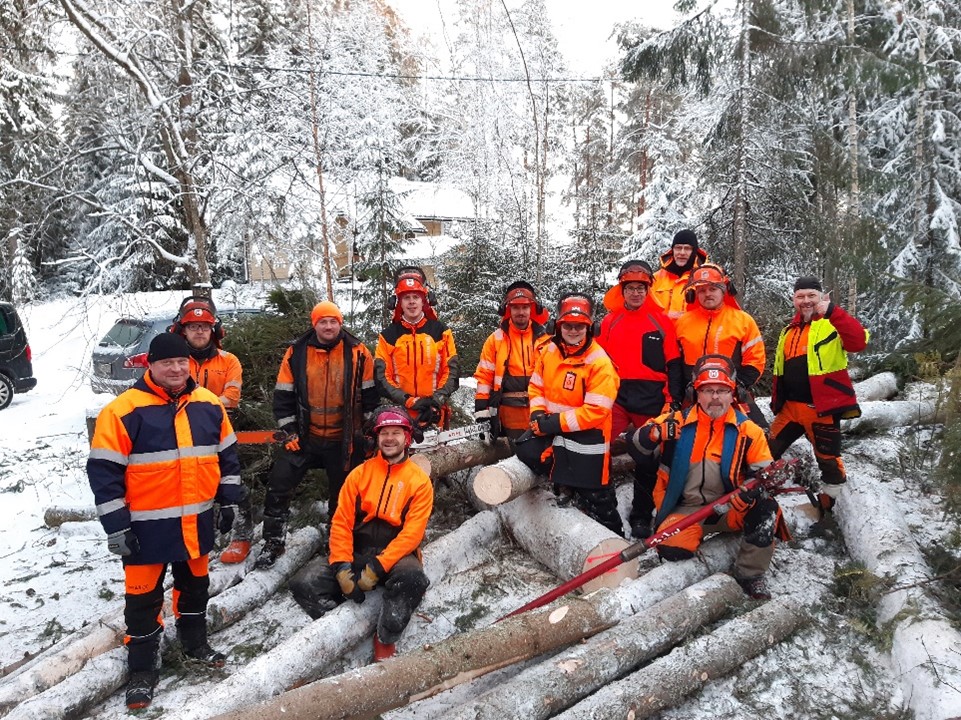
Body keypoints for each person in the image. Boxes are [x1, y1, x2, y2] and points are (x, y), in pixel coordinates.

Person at [87, 332, 241, 710]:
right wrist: (117, 527)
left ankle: (195, 644)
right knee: (141, 603)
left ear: (190, 364)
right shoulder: (123, 411)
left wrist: (228, 503)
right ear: (151, 366)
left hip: (196, 524)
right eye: (167, 363)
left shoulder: (208, 404)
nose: (175, 369)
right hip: (145, 530)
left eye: (181, 362)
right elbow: (104, 473)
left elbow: (227, 458)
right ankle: (142, 670)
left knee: (195, 588)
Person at [627, 355, 789, 600]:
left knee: (766, 509)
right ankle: (700, 545)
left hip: (729, 507)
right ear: (696, 393)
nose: (715, 397)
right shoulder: (677, 422)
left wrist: (749, 492)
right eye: (708, 390)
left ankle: (750, 575)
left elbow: (762, 475)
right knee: (672, 550)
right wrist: (654, 433)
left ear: (733, 393)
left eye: (722, 390)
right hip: (686, 509)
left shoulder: (748, 431)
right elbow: (635, 446)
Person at [287, 406, 433, 661]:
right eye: (384, 433)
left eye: (396, 433)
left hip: (395, 555)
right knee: (303, 583)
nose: (389, 438)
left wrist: (378, 567)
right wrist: (342, 566)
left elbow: (412, 533)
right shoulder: (360, 474)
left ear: (407, 438)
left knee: (413, 580)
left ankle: (386, 636)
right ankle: (340, 622)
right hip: (357, 549)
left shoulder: (419, 481)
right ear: (376, 437)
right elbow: (341, 522)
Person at [254, 301, 379, 570]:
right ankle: (273, 541)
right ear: (315, 324)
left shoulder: (357, 351)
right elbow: (283, 395)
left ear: (340, 323)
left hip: (342, 438)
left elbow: (370, 397)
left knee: (343, 493)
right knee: (279, 483)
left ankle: (337, 540)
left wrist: (367, 433)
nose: (329, 326)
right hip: (305, 436)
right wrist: (289, 431)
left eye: (333, 321)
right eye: (323, 321)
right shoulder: (297, 352)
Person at [515, 293, 622, 535]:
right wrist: (538, 413)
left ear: (589, 327)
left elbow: (596, 411)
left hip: (588, 438)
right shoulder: (550, 352)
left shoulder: (599, 363)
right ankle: (566, 491)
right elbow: (536, 385)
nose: (573, 330)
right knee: (526, 449)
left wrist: (553, 423)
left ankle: (614, 535)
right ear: (558, 326)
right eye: (568, 325)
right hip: (555, 430)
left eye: (579, 326)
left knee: (596, 492)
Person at [596, 260, 685, 539]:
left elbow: (674, 365)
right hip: (618, 396)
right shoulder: (610, 321)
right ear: (622, 290)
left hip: (652, 398)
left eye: (640, 288)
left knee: (648, 456)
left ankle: (641, 515)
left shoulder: (661, 321)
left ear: (648, 289)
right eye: (630, 288)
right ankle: (600, 504)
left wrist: (672, 401)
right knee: (598, 445)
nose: (635, 293)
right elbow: (598, 362)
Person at [769, 276, 869, 515]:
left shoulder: (832, 323)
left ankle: (832, 506)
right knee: (765, 451)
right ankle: (758, 493)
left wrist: (834, 312)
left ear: (821, 297)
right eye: (800, 296)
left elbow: (858, 342)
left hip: (821, 409)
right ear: (793, 299)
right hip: (790, 409)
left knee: (828, 460)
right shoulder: (788, 331)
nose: (805, 301)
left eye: (811, 296)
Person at [172, 297, 251, 564]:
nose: (199, 331)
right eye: (193, 326)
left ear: (214, 330)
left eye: (204, 326)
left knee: (232, 481)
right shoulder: (175, 362)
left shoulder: (229, 361)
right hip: (178, 433)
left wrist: (194, 405)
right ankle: (190, 536)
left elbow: (232, 397)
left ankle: (241, 535)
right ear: (182, 329)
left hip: (219, 431)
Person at [674, 262, 767, 425]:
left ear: (724, 290)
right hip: (691, 394)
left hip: (732, 392)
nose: (707, 294)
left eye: (712, 289)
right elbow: (674, 363)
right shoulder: (682, 322)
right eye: (702, 290)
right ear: (694, 293)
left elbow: (755, 360)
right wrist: (676, 396)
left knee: (760, 433)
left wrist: (738, 385)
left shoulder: (743, 320)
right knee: (676, 438)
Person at [375, 266, 459, 430]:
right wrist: (408, 400)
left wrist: (437, 400)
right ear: (398, 302)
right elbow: (382, 377)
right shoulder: (388, 336)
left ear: (424, 300)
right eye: (406, 297)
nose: (412, 302)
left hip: (435, 412)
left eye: (416, 297)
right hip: (401, 412)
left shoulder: (440, 331)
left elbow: (451, 371)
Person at [473, 281, 551, 440]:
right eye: (516, 307)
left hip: (541, 410)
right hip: (508, 413)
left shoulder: (546, 339)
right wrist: (482, 411)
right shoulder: (496, 339)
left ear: (532, 309)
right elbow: (484, 376)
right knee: (516, 456)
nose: (520, 312)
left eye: (525, 307)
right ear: (508, 309)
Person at [650, 229, 708, 320]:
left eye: (687, 248)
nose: (682, 253)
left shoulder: (705, 278)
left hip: (690, 332)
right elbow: (645, 310)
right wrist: (665, 316)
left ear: (694, 251)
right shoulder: (655, 279)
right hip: (661, 332)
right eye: (678, 248)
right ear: (672, 250)